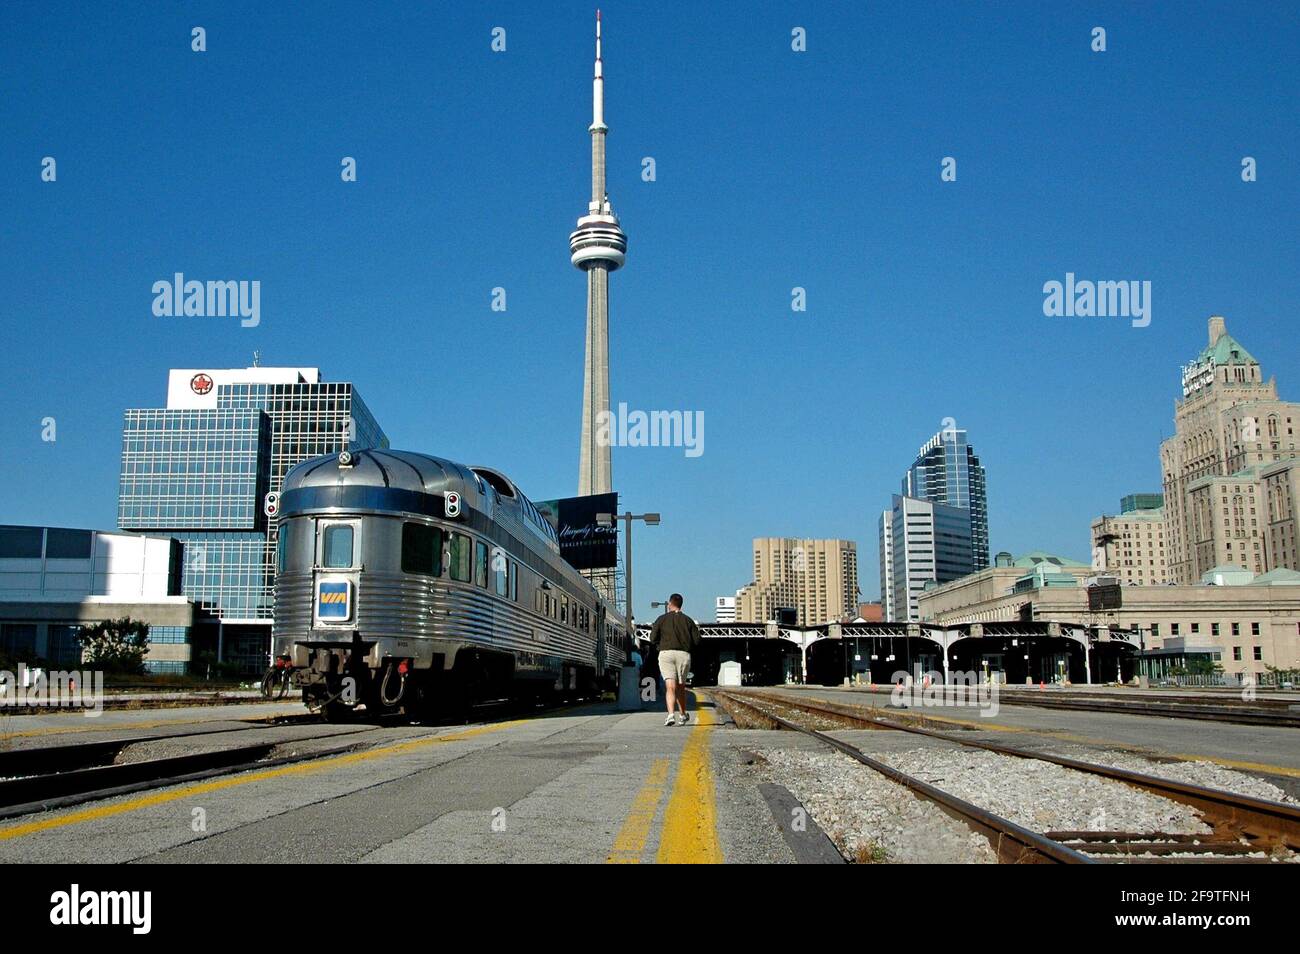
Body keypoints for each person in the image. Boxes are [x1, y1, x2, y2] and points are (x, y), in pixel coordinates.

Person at [650, 593, 700, 726]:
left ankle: (671, 715)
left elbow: (652, 638)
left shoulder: (661, 619)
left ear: (669, 604)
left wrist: (660, 645)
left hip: (666, 654)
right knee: (681, 687)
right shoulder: (688, 621)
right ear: (681, 604)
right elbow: (697, 641)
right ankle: (683, 715)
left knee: (670, 686)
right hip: (683, 654)